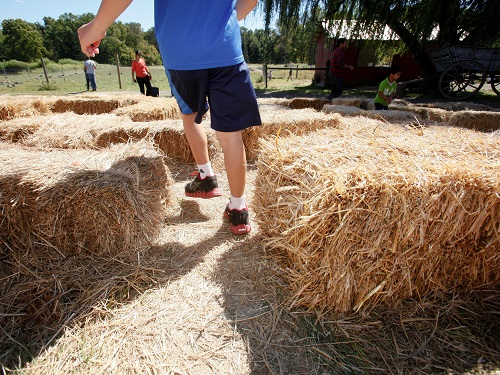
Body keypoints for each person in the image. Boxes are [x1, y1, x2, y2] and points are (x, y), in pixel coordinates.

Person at [78, 0, 261, 235]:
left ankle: (205, 176)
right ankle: (238, 210)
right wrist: (220, 25)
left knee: (190, 115)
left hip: (181, 51)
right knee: (231, 134)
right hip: (226, 51)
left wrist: (96, 28)